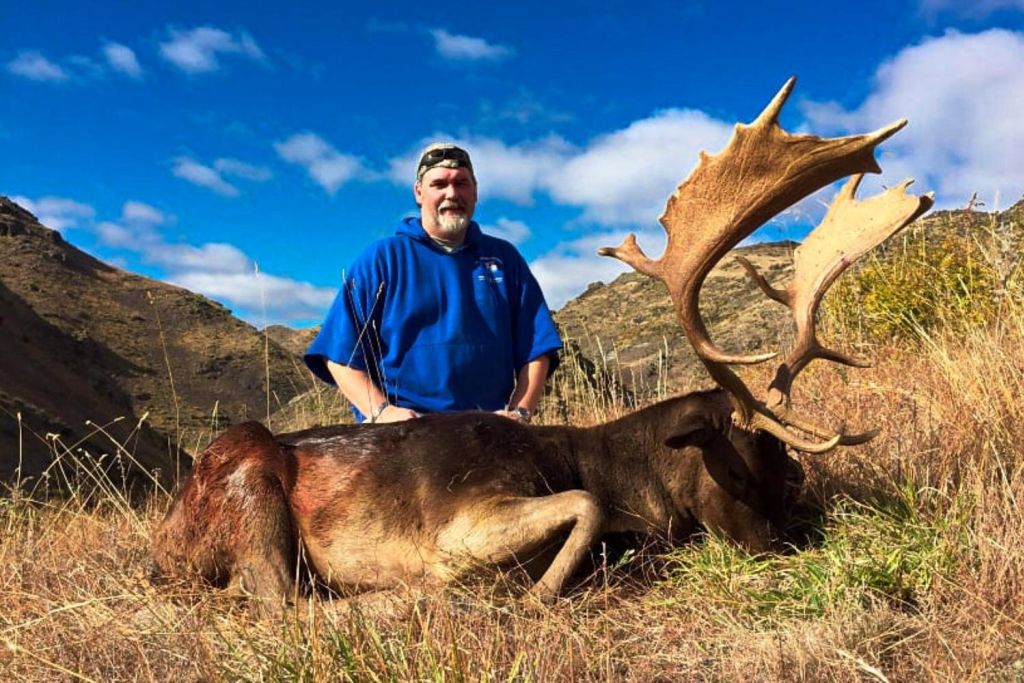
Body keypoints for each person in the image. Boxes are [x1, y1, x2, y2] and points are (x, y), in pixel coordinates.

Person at [304, 143, 563, 424]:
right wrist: (382, 412)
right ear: (419, 192)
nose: (452, 194)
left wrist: (520, 413)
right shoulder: (382, 259)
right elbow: (339, 356)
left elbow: (537, 350)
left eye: (461, 183)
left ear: (475, 192)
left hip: (488, 430)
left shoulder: (505, 259)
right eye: (439, 184)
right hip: (402, 431)